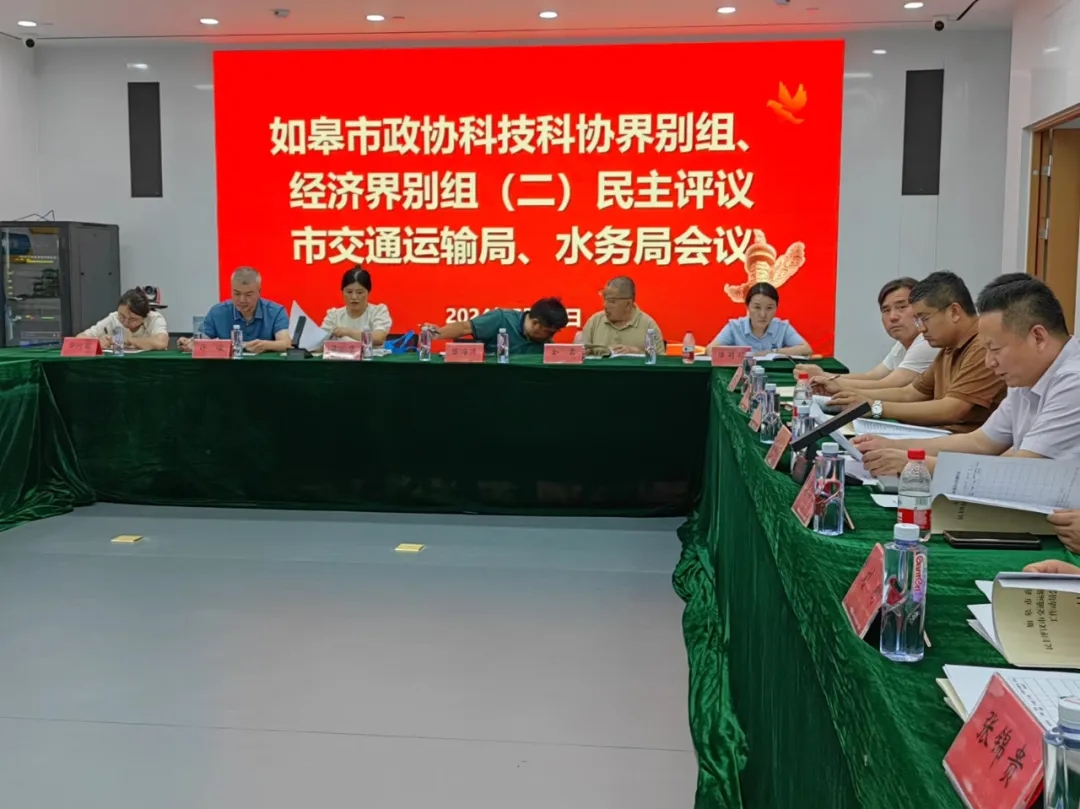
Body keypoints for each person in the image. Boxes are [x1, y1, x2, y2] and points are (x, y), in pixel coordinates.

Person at [858, 273, 1080, 476]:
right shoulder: (1025, 375)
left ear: (1038, 337)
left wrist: (918, 463)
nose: (989, 362)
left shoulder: (1073, 382)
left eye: (995, 349)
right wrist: (891, 446)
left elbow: (1020, 471)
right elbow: (981, 442)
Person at [828, 271, 1005, 432]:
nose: (921, 329)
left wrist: (876, 407)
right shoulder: (948, 346)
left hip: (960, 446)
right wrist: (857, 397)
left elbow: (951, 409)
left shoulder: (982, 346)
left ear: (954, 312)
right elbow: (910, 393)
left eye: (924, 319)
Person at [799, 277, 938, 390]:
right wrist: (823, 375)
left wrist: (827, 379)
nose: (893, 317)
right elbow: (872, 377)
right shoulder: (902, 344)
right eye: (886, 310)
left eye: (901, 307)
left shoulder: (926, 342)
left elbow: (889, 385)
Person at [178, 266, 290, 354]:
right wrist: (188, 343)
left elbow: (286, 343)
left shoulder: (276, 311)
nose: (242, 299)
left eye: (248, 295)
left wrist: (266, 345)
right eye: (237, 293)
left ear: (259, 292)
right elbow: (202, 340)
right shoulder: (218, 312)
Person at [427, 297, 569, 355]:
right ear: (535, 323)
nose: (551, 338)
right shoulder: (501, 318)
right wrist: (438, 333)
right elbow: (465, 327)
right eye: (549, 332)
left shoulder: (546, 344)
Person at [709, 282, 811, 357]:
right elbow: (710, 350)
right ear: (748, 307)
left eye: (769, 308)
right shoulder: (734, 327)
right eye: (757, 307)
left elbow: (806, 349)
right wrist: (746, 354)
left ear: (776, 308)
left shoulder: (782, 327)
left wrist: (771, 352)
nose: (763, 314)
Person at [580, 276, 664, 355]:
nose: (605, 305)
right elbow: (577, 355)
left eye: (611, 301)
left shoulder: (649, 326)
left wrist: (638, 353)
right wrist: (582, 352)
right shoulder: (594, 322)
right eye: (604, 299)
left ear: (628, 304)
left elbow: (660, 361)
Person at [320, 266, 392, 346]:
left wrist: (348, 332)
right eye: (349, 292)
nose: (354, 297)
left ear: (368, 292)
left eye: (359, 292)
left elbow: (378, 338)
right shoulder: (334, 315)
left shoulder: (378, 311)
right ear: (342, 292)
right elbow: (319, 343)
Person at [78, 288, 169, 351]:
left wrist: (129, 340)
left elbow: (161, 342)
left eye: (132, 320)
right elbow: (79, 338)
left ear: (144, 316)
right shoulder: (114, 318)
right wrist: (98, 342)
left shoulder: (154, 319)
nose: (125, 322)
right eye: (122, 316)